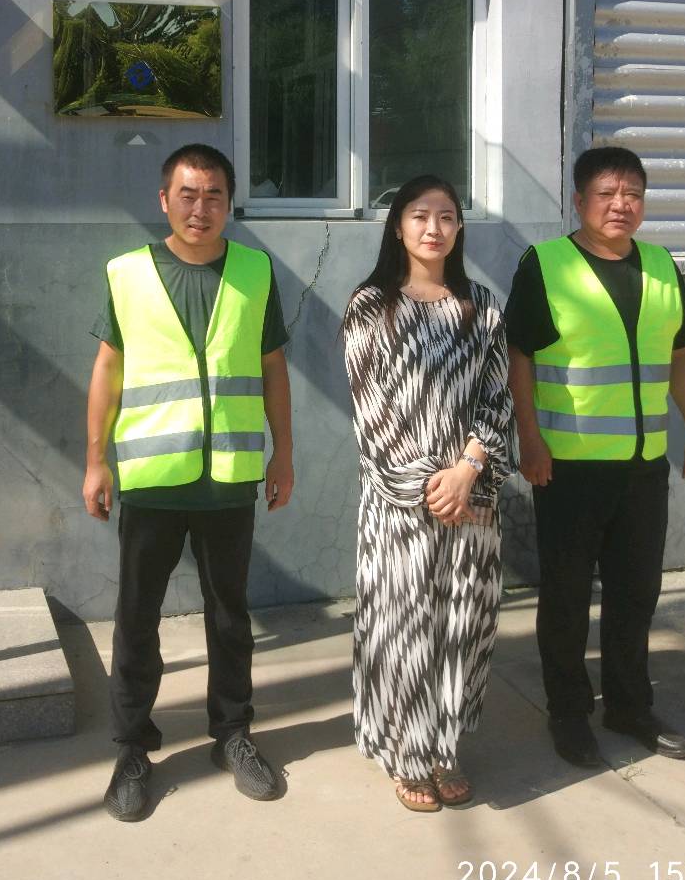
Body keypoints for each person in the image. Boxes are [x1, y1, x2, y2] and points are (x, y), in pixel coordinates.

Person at [83, 143, 295, 821]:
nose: (200, 208)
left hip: (228, 478)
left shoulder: (255, 271)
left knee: (230, 615)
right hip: (153, 479)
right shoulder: (128, 274)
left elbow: (273, 368)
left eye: (213, 195)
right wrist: (96, 461)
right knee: (136, 618)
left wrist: (283, 454)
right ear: (164, 200)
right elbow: (108, 370)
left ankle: (232, 734)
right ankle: (131, 749)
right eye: (187, 194)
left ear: (230, 203)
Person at [505, 145, 685, 768]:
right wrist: (529, 440)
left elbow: (681, 356)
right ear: (579, 201)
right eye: (607, 194)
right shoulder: (546, 264)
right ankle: (569, 713)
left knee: (635, 592)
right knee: (566, 596)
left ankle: (629, 706)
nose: (621, 205)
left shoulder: (661, 266)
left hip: (644, 466)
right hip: (568, 466)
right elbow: (520, 358)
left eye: (633, 195)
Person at [342, 174, 515, 812]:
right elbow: (371, 411)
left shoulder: (483, 307)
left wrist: (467, 471)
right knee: (404, 625)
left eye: (445, 216)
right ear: (398, 227)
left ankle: (444, 750)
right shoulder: (371, 306)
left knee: (462, 626)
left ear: (459, 228)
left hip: (471, 500)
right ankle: (406, 754)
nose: (433, 228)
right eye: (420, 215)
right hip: (400, 508)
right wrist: (428, 485)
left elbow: (499, 399)